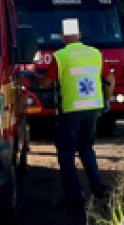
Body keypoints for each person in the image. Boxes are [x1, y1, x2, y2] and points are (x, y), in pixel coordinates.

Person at [27, 18, 114, 209]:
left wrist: (31, 73)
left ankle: (74, 198)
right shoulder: (95, 54)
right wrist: (106, 100)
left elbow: (45, 84)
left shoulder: (60, 57)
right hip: (92, 110)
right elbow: (110, 78)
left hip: (70, 112)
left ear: (62, 37)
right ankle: (98, 187)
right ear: (80, 35)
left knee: (66, 154)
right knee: (86, 149)